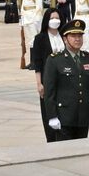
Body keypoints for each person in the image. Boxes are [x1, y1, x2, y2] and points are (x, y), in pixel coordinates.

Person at [42, 18, 89, 141]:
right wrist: (52, 116)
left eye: (80, 36)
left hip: (83, 116)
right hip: (64, 116)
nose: (77, 39)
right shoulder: (55, 60)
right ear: (65, 39)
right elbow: (49, 92)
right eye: (73, 36)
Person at [28, 8, 65, 142]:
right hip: (47, 80)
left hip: (64, 80)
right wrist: (39, 83)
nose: (55, 21)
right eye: (52, 18)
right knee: (49, 110)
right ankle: (51, 138)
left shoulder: (64, 35)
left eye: (57, 18)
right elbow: (37, 63)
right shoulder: (40, 38)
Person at [18, 0, 43, 69]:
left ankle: (36, 62)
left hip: (33, 18)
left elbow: (39, 6)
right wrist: (21, 18)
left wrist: (37, 20)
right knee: (29, 41)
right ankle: (31, 61)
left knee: (34, 41)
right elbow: (23, 5)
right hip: (26, 17)